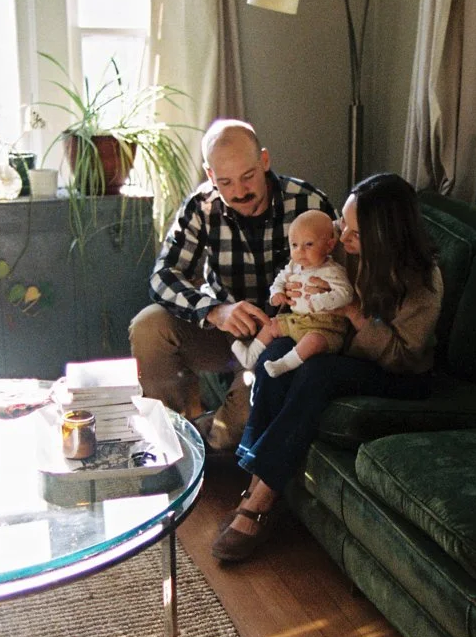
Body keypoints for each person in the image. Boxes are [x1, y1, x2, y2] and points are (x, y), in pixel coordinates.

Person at [212, 172, 442, 562]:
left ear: (385, 236)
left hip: (398, 374)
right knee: (274, 355)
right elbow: (305, 262)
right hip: (338, 346)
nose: (341, 235)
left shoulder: (423, 280)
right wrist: (297, 293)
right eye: (343, 224)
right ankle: (256, 481)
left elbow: (403, 356)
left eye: (353, 231)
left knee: (318, 372)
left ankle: (260, 500)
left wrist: (352, 312)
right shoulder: (343, 246)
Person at [129, 119, 334, 451]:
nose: (240, 192)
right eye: (225, 182)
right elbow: (162, 276)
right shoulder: (201, 206)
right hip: (224, 334)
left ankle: (197, 443)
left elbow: (342, 274)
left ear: (264, 161)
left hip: (284, 339)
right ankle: (168, 438)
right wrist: (214, 311)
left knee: (232, 429)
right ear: (211, 176)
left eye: (248, 177)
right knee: (148, 326)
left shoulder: (309, 204)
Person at [231, 209, 354, 378]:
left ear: (329, 245)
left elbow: (346, 294)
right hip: (296, 321)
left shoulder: (332, 271)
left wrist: (322, 300)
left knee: (313, 342)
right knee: (271, 324)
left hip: (324, 328)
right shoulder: (293, 266)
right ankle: (250, 356)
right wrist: (277, 293)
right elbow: (279, 280)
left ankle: (284, 364)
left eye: (308, 244)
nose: (300, 251)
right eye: (294, 245)